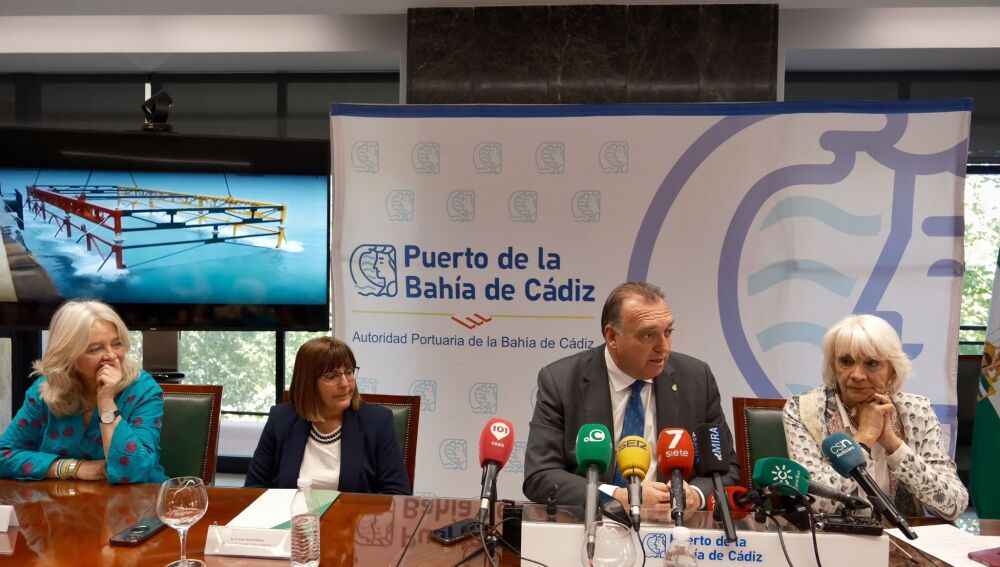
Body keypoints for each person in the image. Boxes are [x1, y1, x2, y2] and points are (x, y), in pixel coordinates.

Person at [523, 282, 740, 511]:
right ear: (612, 336)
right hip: (593, 523)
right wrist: (616, 497)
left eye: (668, 332)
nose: (664, 347)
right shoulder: (562, 381)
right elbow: (541, 475)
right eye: (648, 335)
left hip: (675, 524)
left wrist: (696, 495)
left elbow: (727, 469)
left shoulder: (696, 379)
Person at [782, 314, 968, 520]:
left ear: (892, 370)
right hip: (833, 535)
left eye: (871, 363)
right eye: (846, 361)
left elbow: (953, 505)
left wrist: (894, 445)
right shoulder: (804, 410)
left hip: (902, 536)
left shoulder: (917, 411)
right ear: (833, 365)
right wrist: (864, 438)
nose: (857, 375)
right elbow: (814, 502)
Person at [0, 300, 168, 484]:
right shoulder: (46, 388)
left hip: (137, 497)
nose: (111, 356)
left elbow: (133, 470)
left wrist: (106, 400)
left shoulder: (144, 390)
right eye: (95, 349)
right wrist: (74, 468)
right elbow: (4, 455)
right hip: (61, 499)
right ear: (68, 355)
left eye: (117, 344)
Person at [244, 336, 410, 494]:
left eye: (349, 372)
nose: (345, 384)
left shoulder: (377, 421)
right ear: (308, 382)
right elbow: (253, 488)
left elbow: (397, 493)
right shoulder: (281, 418)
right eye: (332, 376)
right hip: (291, 514)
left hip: (352, 515)